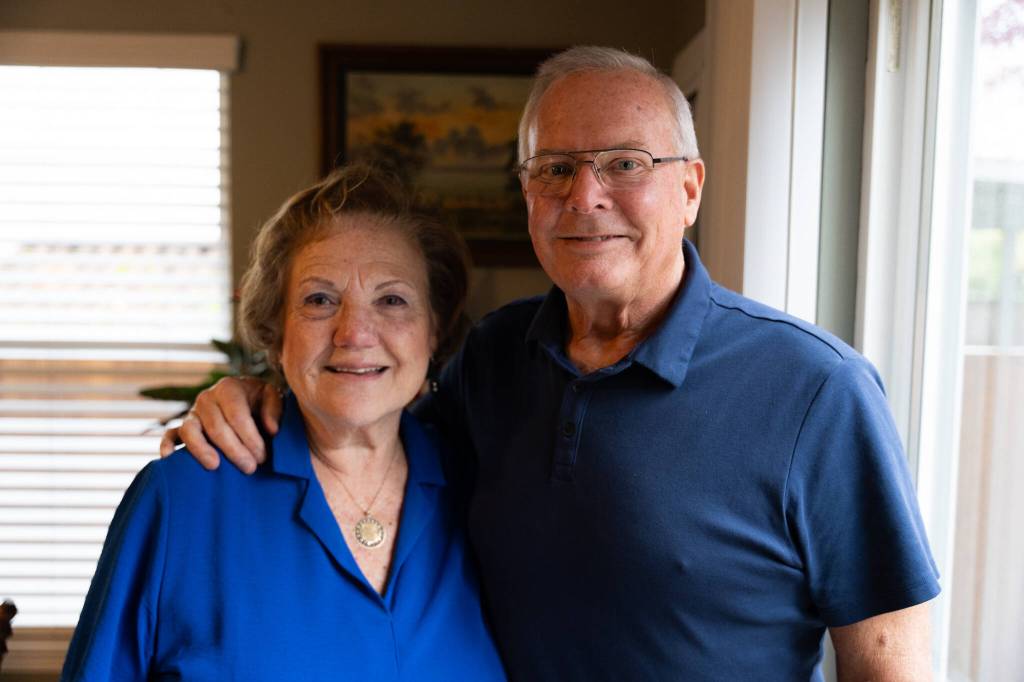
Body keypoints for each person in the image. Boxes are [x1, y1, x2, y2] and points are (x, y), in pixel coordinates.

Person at [168, 47, 940, 680]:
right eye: (553, 168)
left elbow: (889, 666)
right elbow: (361, 439)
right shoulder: (493, 359)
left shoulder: (816, 390)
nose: (586, 195)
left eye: (626, 163)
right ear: (527, 192)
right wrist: (251, 398)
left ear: (690, 187)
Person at [63, 165, 506, 681]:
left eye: (392, 300)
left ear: (434, 332)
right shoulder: (180, 501)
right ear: (276, 336)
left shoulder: (486, 494)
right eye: (320, 300)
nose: (355, 333)